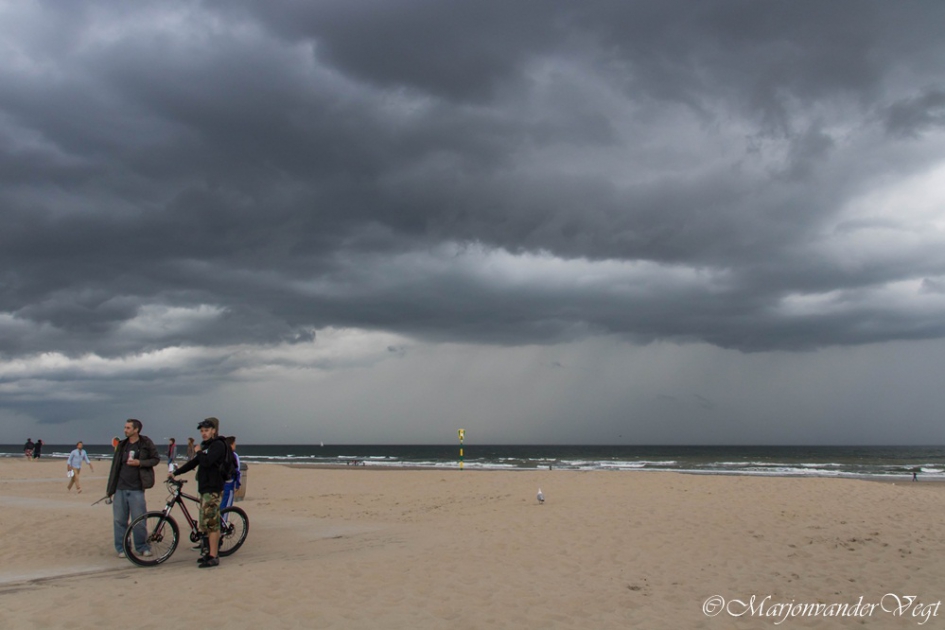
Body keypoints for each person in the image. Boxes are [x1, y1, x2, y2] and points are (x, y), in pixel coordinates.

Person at [170, 417, 227, 568]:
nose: (204, 434)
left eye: (207, 430)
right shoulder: (206, 446)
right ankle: (208, 552)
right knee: (204, 523)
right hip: (204, 487)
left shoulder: (218, 445)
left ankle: (214, 556)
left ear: (213, 430)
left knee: (212, 523)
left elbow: (207, 462)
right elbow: (194, 462)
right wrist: (176, 472)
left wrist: (199, 451)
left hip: (213, 488)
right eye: (202, 431)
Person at [106, 419, 160, 558]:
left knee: (139, 520)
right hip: (120, 488)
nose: (125, 430)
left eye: (128, 428)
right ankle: (122, 547)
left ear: (136, 429)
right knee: (119, 520)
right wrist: (110, 489)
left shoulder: (145, 443)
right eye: (125, 427)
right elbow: (115, 467)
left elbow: (155, 459)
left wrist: (139, 462)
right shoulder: (122, 445)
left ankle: (142, 546)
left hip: (136, 488)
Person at [221, 436, 242, 512]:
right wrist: (237, 484)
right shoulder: (234, 456)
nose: (235, 445)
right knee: (227, 506)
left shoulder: (221, 454)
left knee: (221, 504)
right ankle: (223, 522)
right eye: (234, 444)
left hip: (221, 483)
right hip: (229, 483)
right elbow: (237, 471)